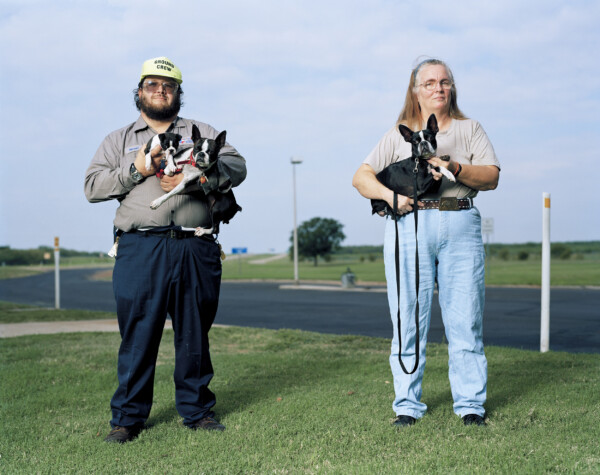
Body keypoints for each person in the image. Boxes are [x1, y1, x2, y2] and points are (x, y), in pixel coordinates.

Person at [85, 56, 246, 443]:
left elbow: (237, 166)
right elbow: (92, 187)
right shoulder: (118, 140)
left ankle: (197, 411)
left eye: (168, 86)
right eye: (152, 85)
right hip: (141, 247)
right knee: (138, 335)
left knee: (194, 332)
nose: (160, 91)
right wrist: (140, 168)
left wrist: (201, 175)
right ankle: (127, 418)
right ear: (139, 92)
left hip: (195, 245)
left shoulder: (201, 130)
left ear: (178, 93)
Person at [352, 58, 500, 427]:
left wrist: (452, 167)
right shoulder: (398, 134)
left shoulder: (470, 129)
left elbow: (492, 176)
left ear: (452, 88)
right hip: (410, 223)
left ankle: (470, 406)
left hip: (460, 219)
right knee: (407, 318)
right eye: (430, 83)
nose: (439, 88)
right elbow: (361, 178)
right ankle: (407, 404)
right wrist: (391, 198)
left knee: (465, 318)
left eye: (445, 82)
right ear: (416, 91)